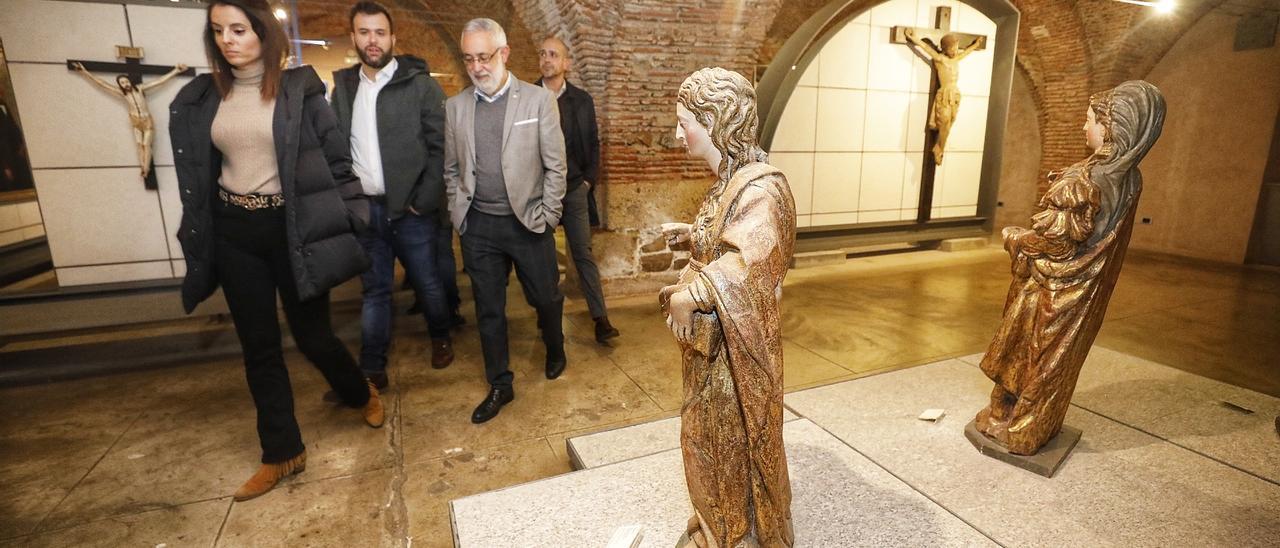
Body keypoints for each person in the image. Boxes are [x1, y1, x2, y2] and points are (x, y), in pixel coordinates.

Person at [169, 0, 383, 502]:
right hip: (233, 230)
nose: (228, 39)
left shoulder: (298, 91)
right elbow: (197, 171)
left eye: (239, 29)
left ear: (264, 33)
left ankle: (359, 391)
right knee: (259, 347)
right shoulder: (204, 96)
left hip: (290, 228)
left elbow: (335, 161)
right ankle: (282, 451)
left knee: (315, 337)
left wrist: (355, 217)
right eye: (219, 30)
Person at [974, 81, 1166, 455]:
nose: (1083, 127)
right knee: (1049, 360)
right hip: (1081, 291)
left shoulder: (1087, 180)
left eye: (1090, 120)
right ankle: (1024, 423)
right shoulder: (1126, 177)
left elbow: (1058, 243)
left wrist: (1016, 237)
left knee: (1031, 355)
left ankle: (1018, 428)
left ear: (1113, 127)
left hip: (1052, 289)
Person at [660, 67, 796, 548]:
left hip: (735, 355)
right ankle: (721, 522)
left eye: (684, 122)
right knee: (710, 436)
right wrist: (694, 236)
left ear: (715, 121)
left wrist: (689, 294)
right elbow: (727, 240)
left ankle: (726, 531)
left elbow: (750, 264)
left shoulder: (760, 186)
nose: (678, 135)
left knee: (720, 439)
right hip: (714, 349)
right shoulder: (730, 181)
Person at [443, 18, 568, 424]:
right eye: (469, 59)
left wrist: (548, 216)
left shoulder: (537, 101)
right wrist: (458, 215)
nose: (477, 67)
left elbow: (556, 166)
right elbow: (450, 170)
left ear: (504, 54)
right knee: (488, 310)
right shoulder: (456, 107)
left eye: (484, 56)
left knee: (545, 297)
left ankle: (555, 344)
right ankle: (500, 383)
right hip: (479, 226)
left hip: (528, 223)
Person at [330, 1, 453, 387]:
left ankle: (441, 336)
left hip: (412, 210)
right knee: (375, 290)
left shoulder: (419, 85)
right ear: (353, 37)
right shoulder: (345, 88)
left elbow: (442, 147)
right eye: (364, 32)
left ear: (393, 38)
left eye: (379, 32)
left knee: (427, 281)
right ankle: (372, 367)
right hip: (367, 210)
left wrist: (424, 200)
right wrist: (349, 199)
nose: (372, 40)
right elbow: (337, 148)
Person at [534, 36, 619, 344]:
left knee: (583, 253)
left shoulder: (581, 100)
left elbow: (594, 143)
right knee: (542, 258)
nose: (546, 59)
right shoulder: (528, 97)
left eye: (553, 54)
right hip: (539, 192)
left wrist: (587, 182)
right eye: (543, 54)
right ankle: (547, 318)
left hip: (573, 190)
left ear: (566, 63)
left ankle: (601, 319)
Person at [71, 60, 187, 181]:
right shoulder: (122, 93)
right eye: (122, 83)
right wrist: (84, 72)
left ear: (129, 81)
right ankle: (143, 167)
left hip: (147, 120)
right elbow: (102, 83)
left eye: (126, 81)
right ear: (120, 85)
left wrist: (176, 71)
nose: (125, 84)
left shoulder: (140, 89)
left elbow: (159, 81)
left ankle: (146, 168)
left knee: (146, 144)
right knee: (139, 145)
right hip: (135, 121)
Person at [902, 29, 984, 165]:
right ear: (945, 49)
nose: (956, 51)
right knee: (944, 121)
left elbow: (967, 52)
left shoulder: (957, 58)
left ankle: (939, 146)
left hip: (955, 95)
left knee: (950, 122)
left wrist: (975, 45)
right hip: (945, 94)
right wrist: (914, 37)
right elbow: (926, 48)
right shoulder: (940, 59)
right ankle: (939, 149)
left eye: (957, 48)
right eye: (953, 48)